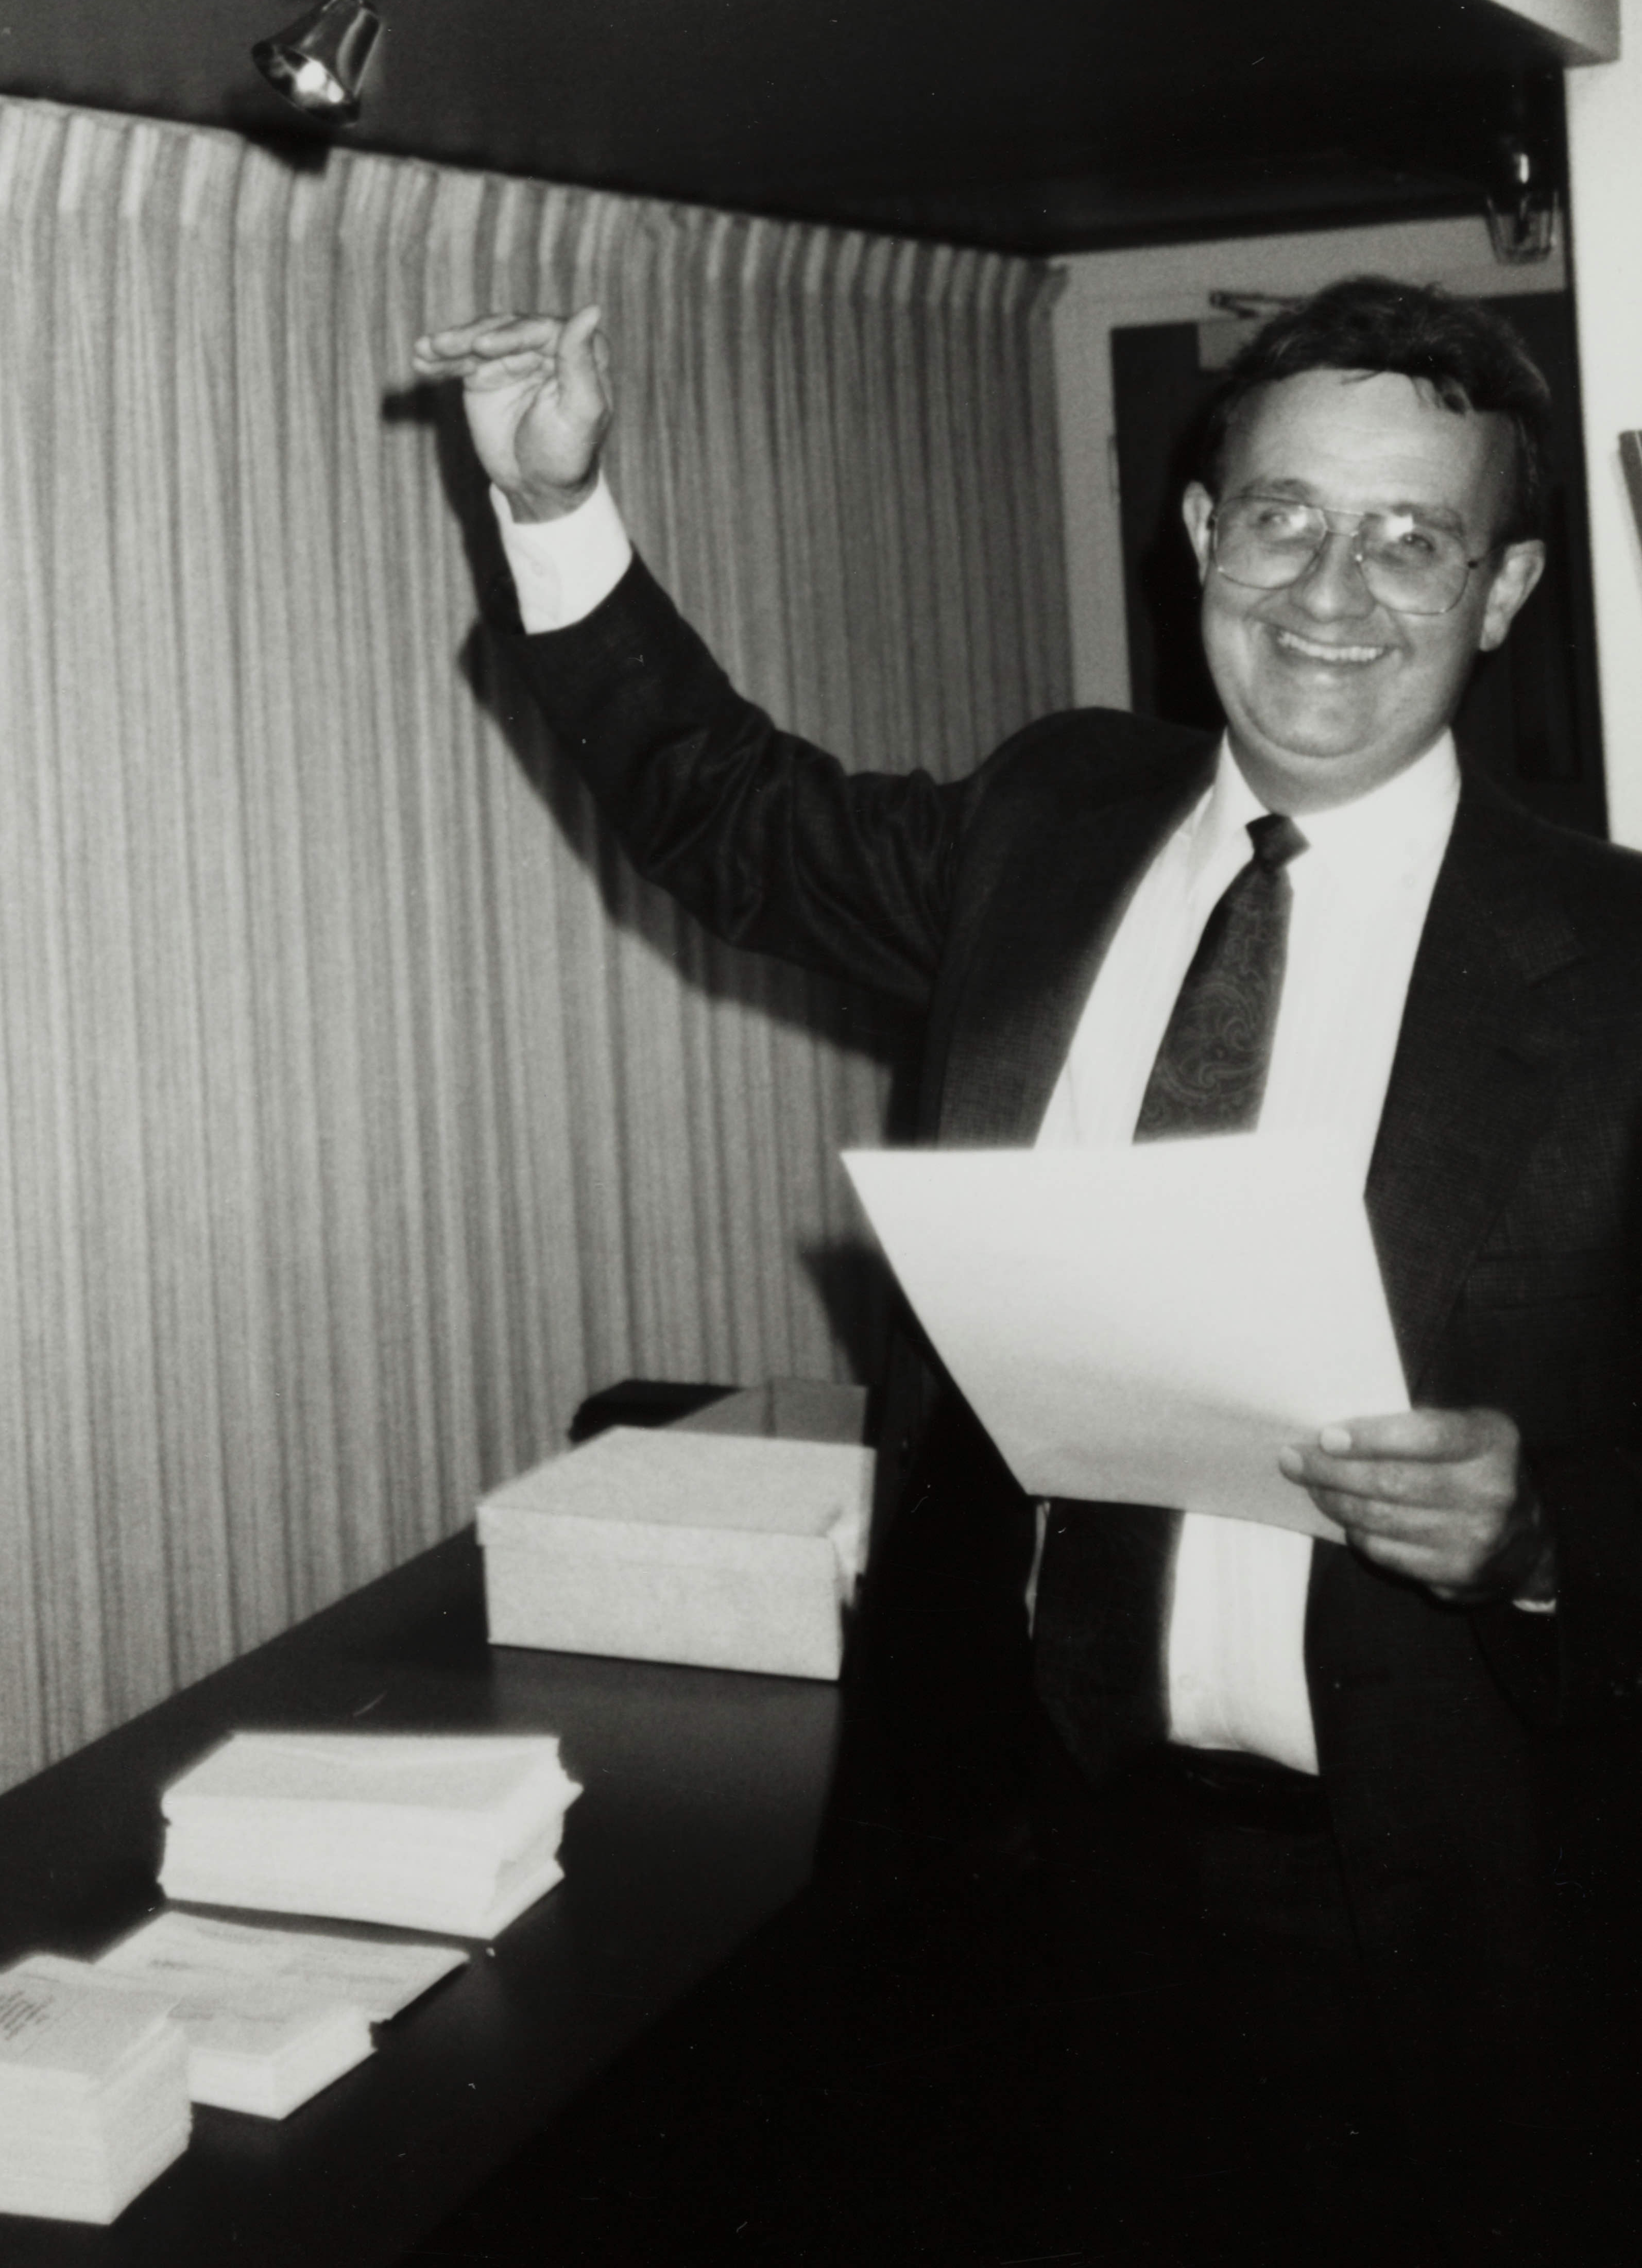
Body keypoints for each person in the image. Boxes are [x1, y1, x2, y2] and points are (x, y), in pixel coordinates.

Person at [413, 277, 1642, 2267]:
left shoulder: (1618, 968)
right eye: (1283, 518)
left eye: (1413, 538)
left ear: (1500, 596)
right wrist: (556, 508)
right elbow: (724, 813)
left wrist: (1542, 1526)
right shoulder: (1050, 818)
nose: (1334, 587)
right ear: (1197, 541)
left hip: (1437, 1931)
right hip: (1022, 1876)